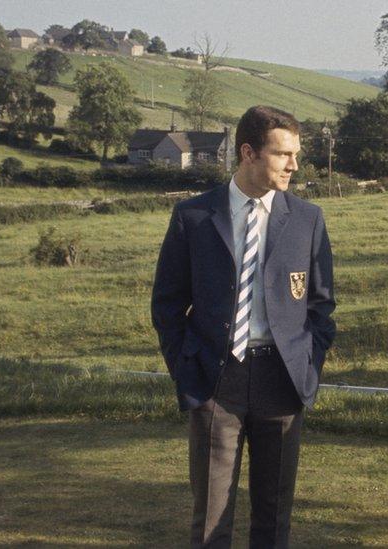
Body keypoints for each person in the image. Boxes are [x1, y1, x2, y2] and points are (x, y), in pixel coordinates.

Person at [151, 105, 336, 548]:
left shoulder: (308, 219)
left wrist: (306, 365)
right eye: (282, 154)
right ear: (248, 153)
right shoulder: (193, 217)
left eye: (296, 154)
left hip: (282, 382)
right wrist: (187, 369)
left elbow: (321, 307)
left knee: (274, 520)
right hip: (217, 381)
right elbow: (167, 305)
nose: (294, 165)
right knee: (211, 519)